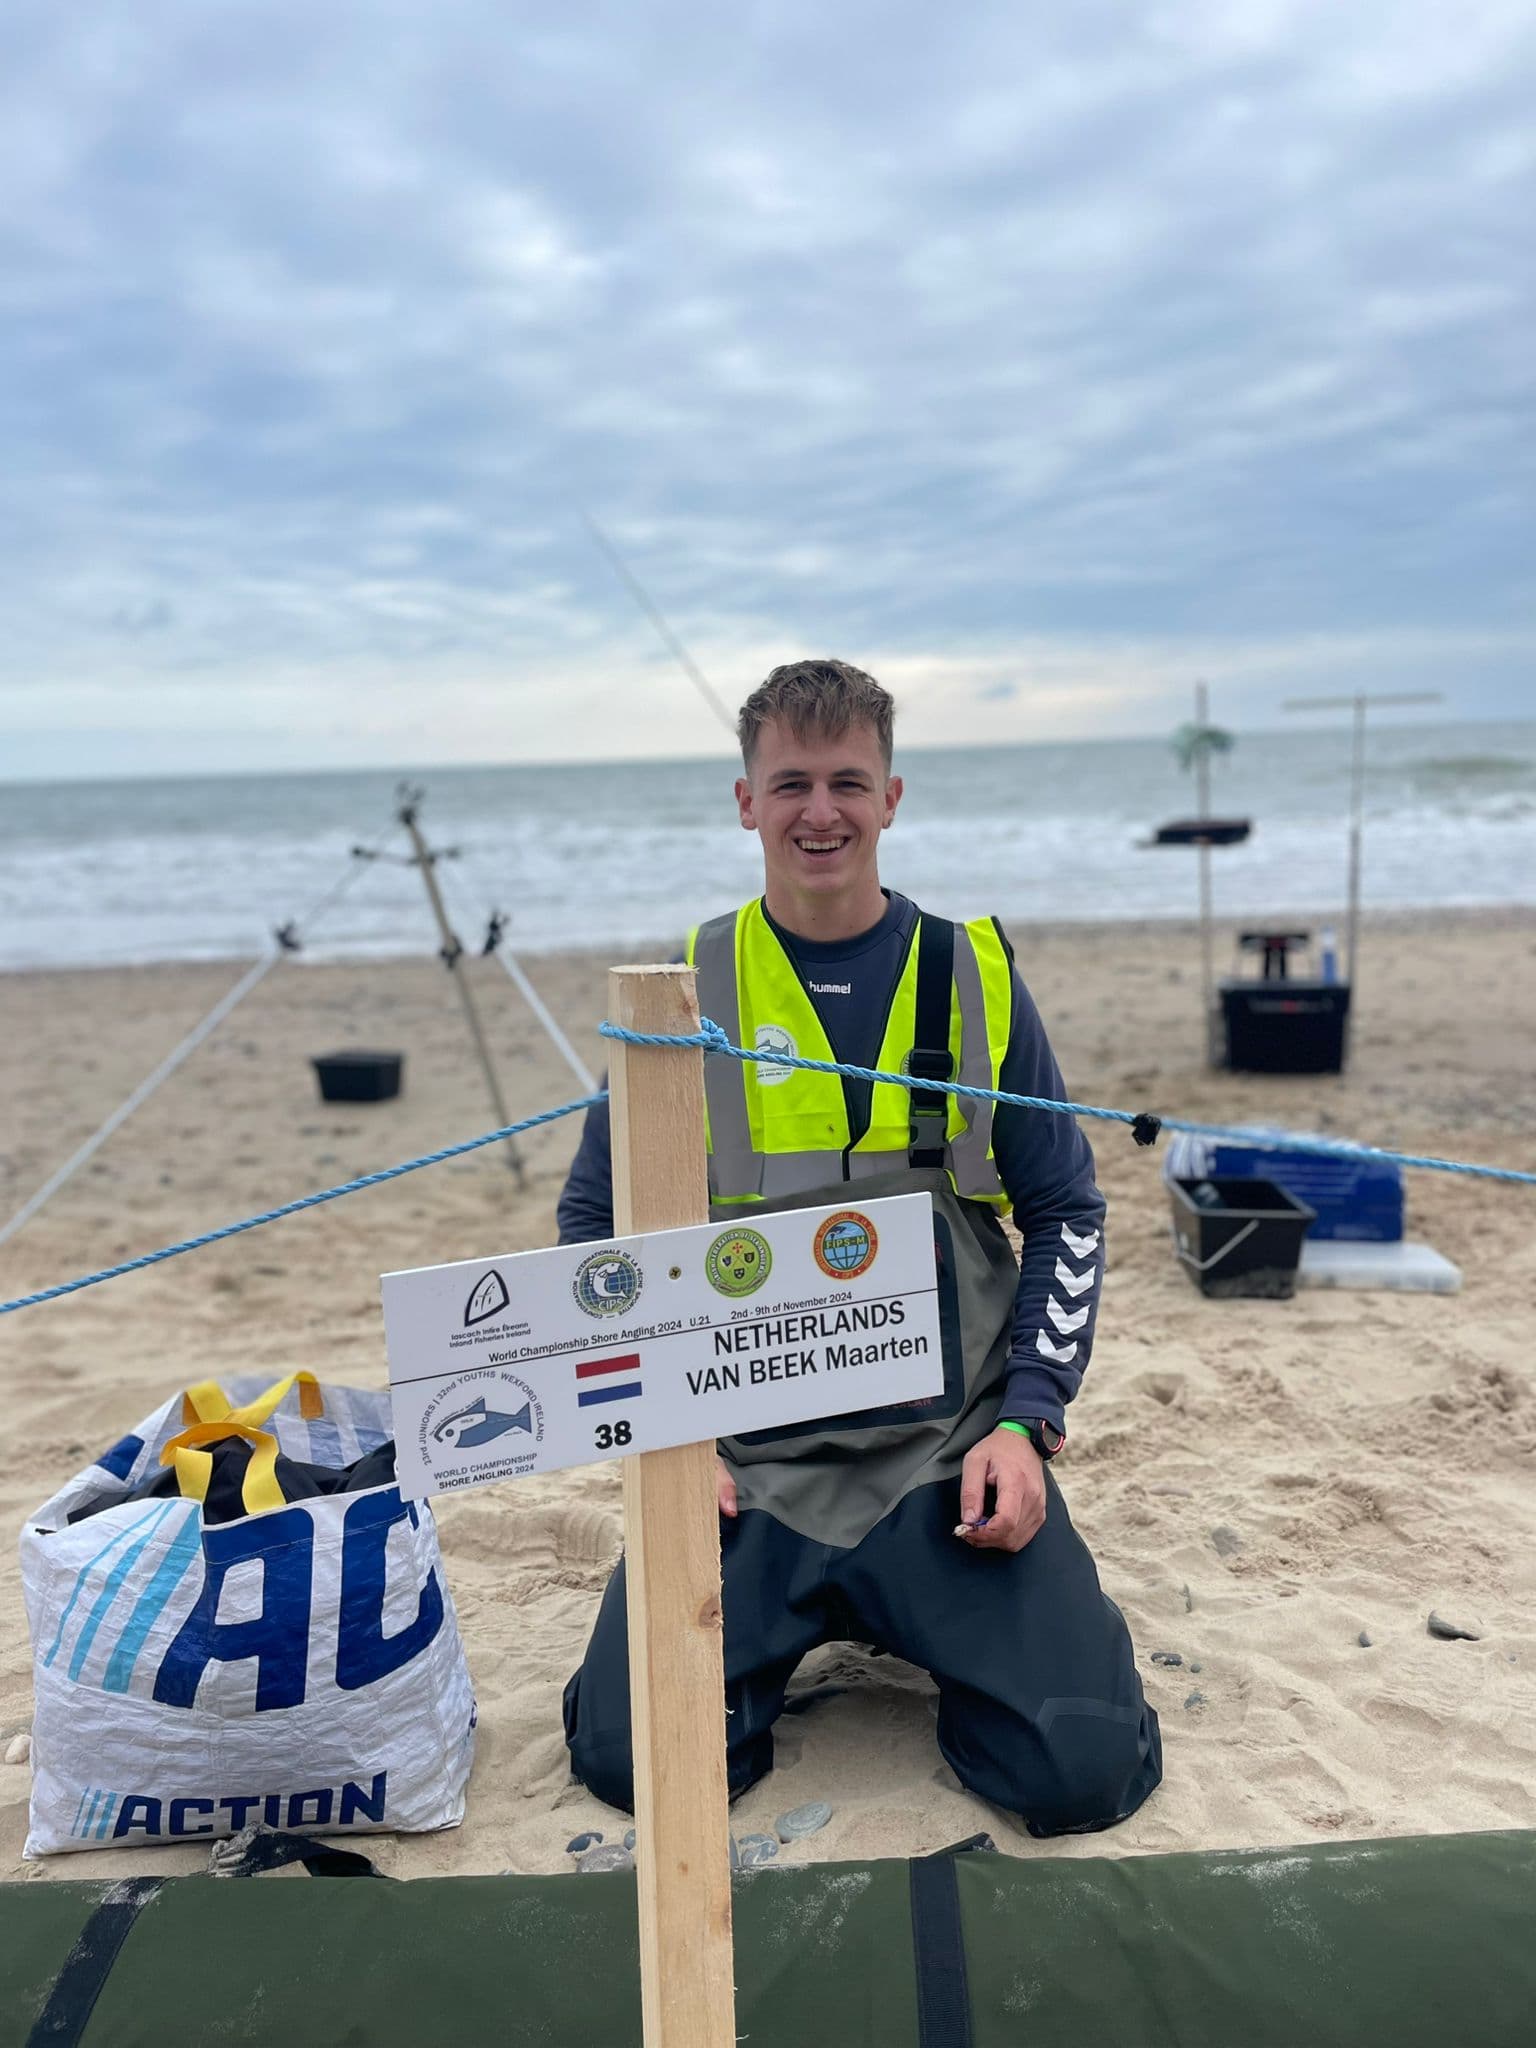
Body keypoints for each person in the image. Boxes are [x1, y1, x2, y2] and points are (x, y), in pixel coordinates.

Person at [558, 659, 1161, 1836]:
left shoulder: (975, 973)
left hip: (946, 1457)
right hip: (750, 1464)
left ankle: (960, 1621)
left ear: (891, 797)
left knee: (1080, 1772)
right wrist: (667, 1435)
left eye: (847, 781)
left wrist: (1025, 1424)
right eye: (791, 783)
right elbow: (592, 1233)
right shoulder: (683, 991)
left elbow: (1067, 1209)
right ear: (747, 800)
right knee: (633, 1759)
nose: (819, 809)